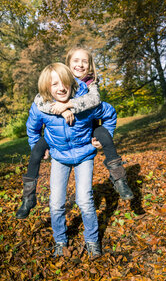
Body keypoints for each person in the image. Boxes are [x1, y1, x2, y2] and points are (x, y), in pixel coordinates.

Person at [16, 46, 133, 220]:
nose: (80, 65)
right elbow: (40, 101)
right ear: (67, 66)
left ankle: (118, 178)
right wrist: (61, 110)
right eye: (75, 61)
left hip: (87, 129)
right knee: (36, 150)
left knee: (104, 134)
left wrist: (69, 105)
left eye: (84, 61)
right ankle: (28, 196)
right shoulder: (60, 82)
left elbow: (95, 101)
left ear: (90, 65)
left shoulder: (91, 84)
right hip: (57, 134)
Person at [26, 63, 117, 258]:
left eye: (64, 82)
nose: (61, 88)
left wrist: (103, 136)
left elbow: (109, 114)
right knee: (56, 202)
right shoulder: (42, 108)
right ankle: (60, 240)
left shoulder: (86, 103)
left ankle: (92, 240)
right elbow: (33, 129)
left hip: (84, 155)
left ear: (71, 82)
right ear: (46, 88)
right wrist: (37, 147)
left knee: (84, 199)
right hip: (59, 158)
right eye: (54, 84)